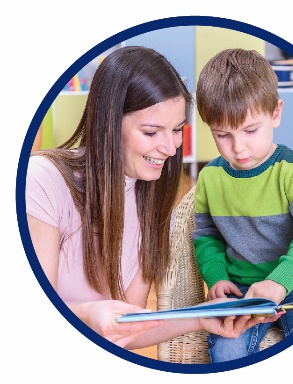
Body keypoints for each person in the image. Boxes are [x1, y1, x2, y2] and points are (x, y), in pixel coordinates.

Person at [26, 46, 266, 351]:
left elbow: (128, 330)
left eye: (177, 130)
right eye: (152, 133)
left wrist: (202, 317)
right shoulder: (44, 180)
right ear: (108, 124)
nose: (170, 147)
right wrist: (86, 314)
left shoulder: (151, 199)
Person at [193, 48, 293, 362]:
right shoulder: (210, 177)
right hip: (241, 290)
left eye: (250, 130)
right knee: (227, 352)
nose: (239, 148)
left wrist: (279, 281)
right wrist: (216, 277)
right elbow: (206, 237)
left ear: (275, 113)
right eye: (222, 135)